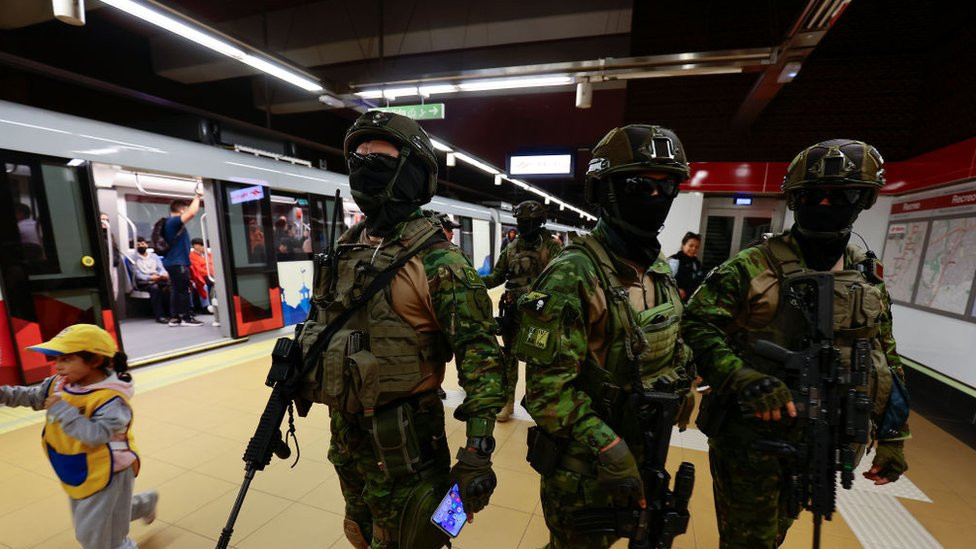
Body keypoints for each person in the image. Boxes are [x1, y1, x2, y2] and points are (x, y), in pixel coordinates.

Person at [682, 139, 910, 549]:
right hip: (751, 439)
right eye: (812, 196)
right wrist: (740, 376)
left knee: (780, 529)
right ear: (795, 199)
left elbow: (885, 353)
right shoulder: (750, 267)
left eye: (840, 197)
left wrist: (894, 434)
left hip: (826, 435)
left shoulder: (866, 275)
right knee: (748, 541)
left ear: (864, 201)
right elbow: (696, 326)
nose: (825, 206)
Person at [296, 110, 505, 549]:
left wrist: (477, 454)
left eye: (380, 160)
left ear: (413, 172)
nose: (363, 167)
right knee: (361, 532)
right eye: (357, 158)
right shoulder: (343, 250)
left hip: (408, 448)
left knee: (426, 536)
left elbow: (482, 360)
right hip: (347, 441)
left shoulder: (441, 264)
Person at [513, 125, 697, 548]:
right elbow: (546, 394)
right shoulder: (572, 273)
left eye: (666, 186)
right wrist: (609, 446)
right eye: (639, 185)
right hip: (584, 467)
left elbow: (673, 344)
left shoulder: (658, 270)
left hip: (642, 451)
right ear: (606, 191)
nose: (655, 198)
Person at [0, 324, 158, 549]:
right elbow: (31, 397)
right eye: (56, 359)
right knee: (108, 513)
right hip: (77, 465)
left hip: (110, 470)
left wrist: (62, 410)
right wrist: (3, 394)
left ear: (94, 361)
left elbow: (96, 435)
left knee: (94, 536)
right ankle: (143, 504)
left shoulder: (111, 399)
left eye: (66, 359)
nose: (57, 366)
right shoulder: (59, 383)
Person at [482, 200, 562, 422]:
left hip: (539, 316)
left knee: (537, 361)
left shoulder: (551, 247)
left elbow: (556, 283)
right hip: (513, 313)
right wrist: (473, 282)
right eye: (521, 221)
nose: (524, 226)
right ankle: (508, 403)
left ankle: (538, 405)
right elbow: (497, 276)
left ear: (540, 221)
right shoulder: (512, 247)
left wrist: (524, 294)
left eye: (529, 221)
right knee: (509, 358)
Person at [162, 191, 204, 327]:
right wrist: (197, 197)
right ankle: (186, 318)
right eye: (185, 210)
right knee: (183, 290)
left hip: (172, 262)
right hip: (178, 262)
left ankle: (175, 318)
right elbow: (192, 213)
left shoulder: (169, 223)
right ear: (181, 210)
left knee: (176, 290)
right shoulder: (173, 222)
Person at [132, 236, 171, 323]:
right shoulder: (133, 258)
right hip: (144, 282)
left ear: (147, 244)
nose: (141, 246)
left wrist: (163, 275)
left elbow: (161, 268)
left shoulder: (154, 256)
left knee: (170, 287)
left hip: (158, 277)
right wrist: (150, 277)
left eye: (142, 244)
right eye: (138, 245)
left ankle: (173, 313)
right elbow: (137, 274)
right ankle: (160, 316)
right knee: (155, 288)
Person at [668, 231, 704, 300]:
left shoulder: (696, 263)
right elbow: (665, 281)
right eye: (691, 246)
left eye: (697, 247)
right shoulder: (674, 260)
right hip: (675, 300)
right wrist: (676, 290)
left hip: (692, 301)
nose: (693, 249)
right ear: (683, 245)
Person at [189, 237, 214, 310]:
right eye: (202, 245)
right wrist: (210, 274)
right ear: (196, 246)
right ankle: (206, 307)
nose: (205, 247)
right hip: (199, 277)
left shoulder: (208, 254)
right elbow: (198, 270)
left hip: (211, 275)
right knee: (204, 285)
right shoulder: (191, 256)